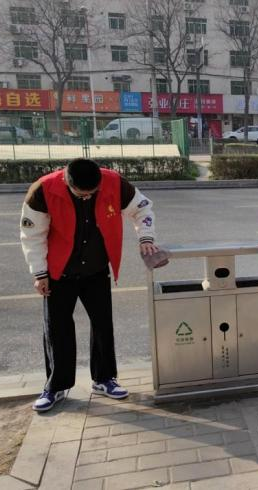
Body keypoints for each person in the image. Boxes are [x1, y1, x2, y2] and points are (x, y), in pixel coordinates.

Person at [20, 159, 158, 412]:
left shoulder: (115, 183)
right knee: (57, 329)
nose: (87, 197)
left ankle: (104, 379)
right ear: (67, 182)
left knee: (103, 324)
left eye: (92, 193)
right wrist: (39, 273)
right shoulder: (43, 190)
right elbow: (32, 235)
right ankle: (56, 386)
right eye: (81, 194)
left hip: (96, 269)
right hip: (58, 272)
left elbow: (143, 209)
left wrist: (145, 237)